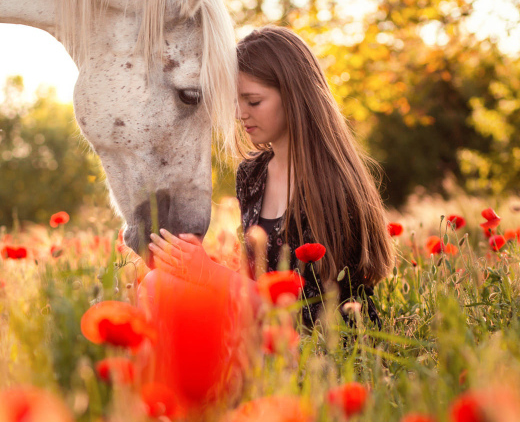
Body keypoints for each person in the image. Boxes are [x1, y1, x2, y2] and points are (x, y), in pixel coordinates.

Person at [149, 25, 396, 329]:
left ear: (294, 96)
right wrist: (194, 260)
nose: (240, 114)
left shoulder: (333, 186)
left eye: (253, 101)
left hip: (321, 343)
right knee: (156, 282)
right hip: (263, 327)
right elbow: (255, 282)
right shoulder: (251, 174)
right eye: (236, 101)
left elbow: (311, 313)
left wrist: (209, 275)